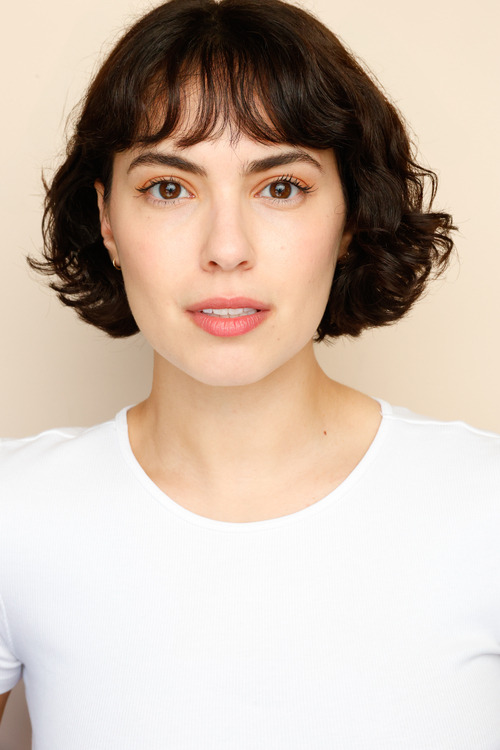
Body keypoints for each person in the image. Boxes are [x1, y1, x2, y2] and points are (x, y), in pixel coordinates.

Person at [0, 0, 499, 747]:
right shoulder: (16, 515)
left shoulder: (486, 508)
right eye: (169, 188)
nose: (227, 248)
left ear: (349, 215)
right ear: (107, 219)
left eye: (281, 187)